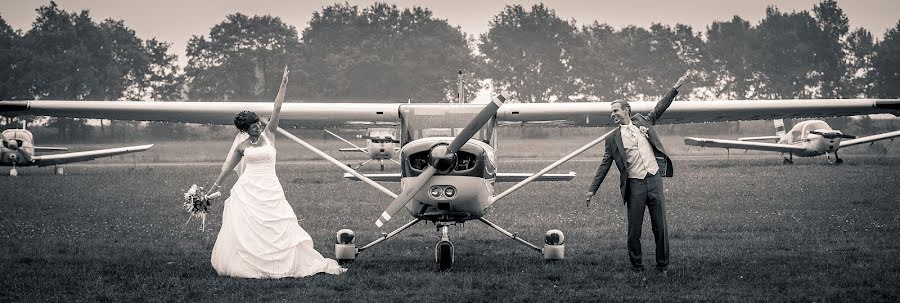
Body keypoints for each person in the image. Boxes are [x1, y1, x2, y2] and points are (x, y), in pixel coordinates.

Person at [205, 67, 345, 278]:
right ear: (245, 130)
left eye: (257, 124)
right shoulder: (242, 147)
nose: (257, 127)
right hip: (248, 189)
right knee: (249, 227)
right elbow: (227, 170)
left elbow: (277, 108)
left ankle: (284, 262)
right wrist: (210, 192)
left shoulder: (270, 133)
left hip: (270, 186)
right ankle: (250, 263)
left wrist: (283, 84)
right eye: (252, 126)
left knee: (278, 223)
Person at [585, 73, 688, 276]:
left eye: (616, 110)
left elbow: (660, 107)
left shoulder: (643, 121)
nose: (612, 114)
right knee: (634, 230)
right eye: (611, 112)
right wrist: (592, 190)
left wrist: (675, 88)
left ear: (626, 110)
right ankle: (637, 266)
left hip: (654, 180)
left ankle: (662, 266)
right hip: (635, 185)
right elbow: (604, 165)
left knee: (660, 226)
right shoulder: (612, 138)